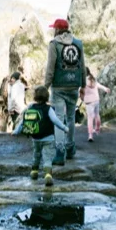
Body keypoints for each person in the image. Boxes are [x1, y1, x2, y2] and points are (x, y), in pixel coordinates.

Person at [43, 18, 86, 165]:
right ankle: (70, 147)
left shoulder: (54, 44)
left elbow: (50, 68)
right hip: (74, 85)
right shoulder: (78, 43)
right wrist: (83, 86)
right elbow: (82, 66)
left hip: (59, 87)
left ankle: (60, 152)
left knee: (59, 119)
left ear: (57, 30)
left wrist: (45, 87)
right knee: (71, 117)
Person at [19, 81, 61, 182]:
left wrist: (17, 130)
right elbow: (55, 120)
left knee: (36, 154)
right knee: (47, 157)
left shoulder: (31, 107)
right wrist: (64, 127)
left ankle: (34, 172)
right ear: (47, 97)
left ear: (35, 97)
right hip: (48, 138)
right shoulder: (49, 109)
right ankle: (48, 175)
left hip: (35, 138)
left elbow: (22, 121)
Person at [0, 67, 28, 134]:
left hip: (15, 109)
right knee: (19, 122)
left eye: (12, 78)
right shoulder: (21, 85)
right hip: (21, 107)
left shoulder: (14, 86)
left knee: (16, 122)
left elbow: (13, 99)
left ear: (15, 79)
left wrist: (11, 109)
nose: (11, 80)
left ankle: (16, 135)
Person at [82, 71, 105, 142]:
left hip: (89, 102)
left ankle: (90, 135)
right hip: (96, 100)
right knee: (97, 115)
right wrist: (105, 89)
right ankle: (97, 129)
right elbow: (99, 85)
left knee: (90, 118)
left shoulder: (83, 81)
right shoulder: (93, 79)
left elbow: (80, 91)